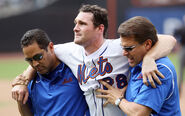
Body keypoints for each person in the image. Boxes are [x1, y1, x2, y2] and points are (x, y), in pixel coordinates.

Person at [12, 4, 177, 116]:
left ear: (100, 28)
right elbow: (40, 56)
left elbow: (169, 40)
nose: (75, 27)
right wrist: (24, 80)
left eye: (82, 23)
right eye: (76, 23)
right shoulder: (68, 50)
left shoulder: (121, 47)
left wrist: (149, 58)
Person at [96, 16, 181, 116]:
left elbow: (139, 113)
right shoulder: (138, 61)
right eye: (122, 47)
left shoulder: (158, 69)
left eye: (129, 48)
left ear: (147, 44)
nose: (124, 53)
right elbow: (167, 39)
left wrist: (118, 99)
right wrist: (148, 58)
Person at [16, 29, 89, 116]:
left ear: (51, 47)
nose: (35, 64)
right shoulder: (30, 83)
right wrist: (20, 101)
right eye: (29, 60)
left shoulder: (75, 70)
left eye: (38, 57)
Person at [174, 16, 185, 94]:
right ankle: (179, 90)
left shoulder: (181, 28)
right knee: (180, 70)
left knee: (180, 70)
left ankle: (179, 90)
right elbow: (174, 36)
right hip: (183, 49)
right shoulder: (181, 28)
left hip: (183, 49)